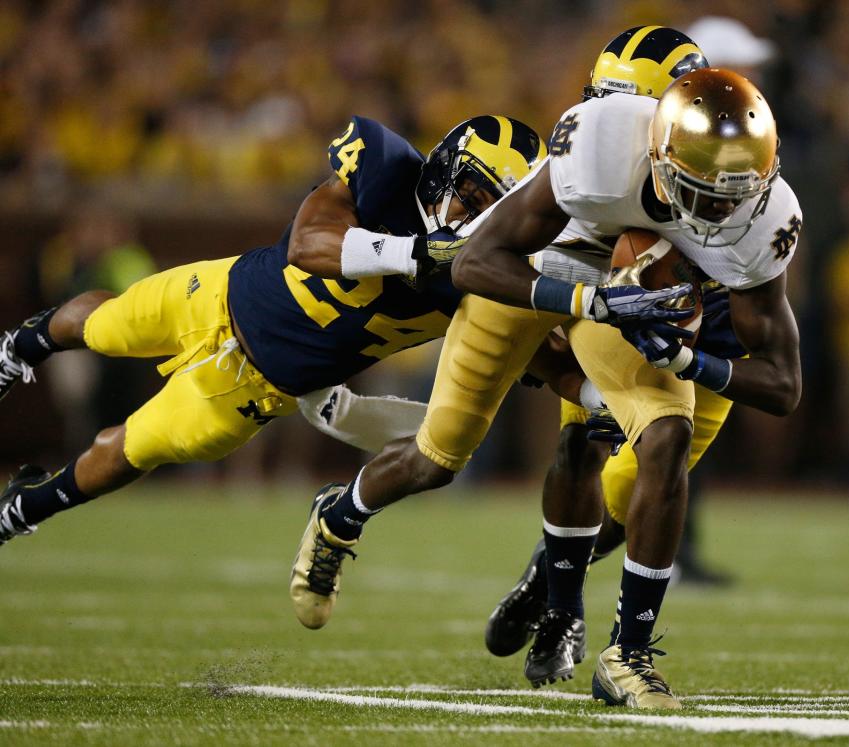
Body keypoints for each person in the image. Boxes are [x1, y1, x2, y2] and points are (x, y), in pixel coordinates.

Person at [289, 62, 802, 710]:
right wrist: (588, 301)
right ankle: (339, 517)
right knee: (437, 455)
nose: (723, 213)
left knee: (663, 435)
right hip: (537, 279)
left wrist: (688, 361)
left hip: (618, 302)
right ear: (659, 152)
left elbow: (784, 384)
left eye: (736, 196)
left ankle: (627, 655)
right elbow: (477, 263)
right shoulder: (599, 147)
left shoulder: (766, 218)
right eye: (705, 193)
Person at [0, 113, 546, 547]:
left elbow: (529, 345)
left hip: (251, 392)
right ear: (445, 166)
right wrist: (413, 253)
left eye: (492, 211)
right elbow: (307, 246)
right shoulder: (386, 168)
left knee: (130, 451)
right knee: (105, 324)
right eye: (473, 196)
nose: (473, 219)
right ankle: (19, 347)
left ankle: (25, 508)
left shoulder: (478, 278)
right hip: (220, 294)